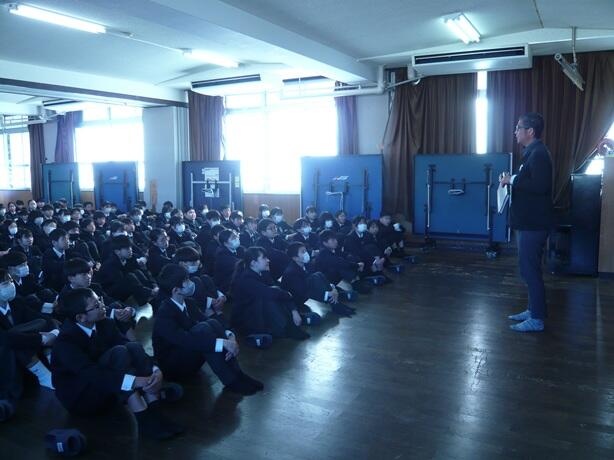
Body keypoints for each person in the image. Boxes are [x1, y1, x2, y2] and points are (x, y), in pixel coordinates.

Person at [51, 288, 184, 440]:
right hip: (82, 397)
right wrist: (135, 381)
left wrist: (155, 371)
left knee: (132, 346)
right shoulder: (66, 341)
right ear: (81, 317)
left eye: (100, 300)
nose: (103, 306)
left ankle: (155, 412)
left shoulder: (105, 323)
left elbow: (131, 347)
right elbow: (91, 373)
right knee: (119, 353)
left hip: (109, 385)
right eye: (97, 305)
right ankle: (143, 417)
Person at [152, 264, 263, 394]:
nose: (191, 283)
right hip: (174, 366)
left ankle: (238, 374)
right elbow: (185, 340)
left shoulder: (188, 302)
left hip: (189, 353)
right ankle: (231, 381)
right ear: (176, 290)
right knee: (203, 330)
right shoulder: (164, 313)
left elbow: (207, 321)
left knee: (211, 323)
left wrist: (229, 337)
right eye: (186, 280)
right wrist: (222, 343)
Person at [500, 112, 553, 333]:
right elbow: (529, 182)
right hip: (528, 223)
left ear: (530, 131)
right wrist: (512, 181)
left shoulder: (539, 153)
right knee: (527, 269)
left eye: (518, 128)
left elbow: (540, 186)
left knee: (530, 271)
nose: (515, 132)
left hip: (534, 224)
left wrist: (512, 179)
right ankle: (533, 310)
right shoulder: (531, 152)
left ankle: (537, 319)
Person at [230, 247, 309, 341]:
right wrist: (287, 294)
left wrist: (293, 310)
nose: (268, 260)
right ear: (253, 263)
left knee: (275, 292)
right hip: (247, 320)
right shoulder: (245, 279)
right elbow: (271, 293)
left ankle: (293, 318)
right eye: (264, 258)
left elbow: (278, 290)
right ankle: (287, 327)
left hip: (259, 313)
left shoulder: (262, 273)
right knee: (269, 297)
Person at [281, 242, 355, 317]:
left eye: (306, 250)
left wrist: (333, 288)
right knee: (316, 276)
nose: (306, 253)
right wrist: (327, 294)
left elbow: (320, 279)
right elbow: (303, 291)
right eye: (303, 252)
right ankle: (334, 302)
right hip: (295, 301)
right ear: (295, 258)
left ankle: (335, 302)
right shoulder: (291, 272)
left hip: (307, 292)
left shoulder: (307, 265)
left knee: (318, 274)